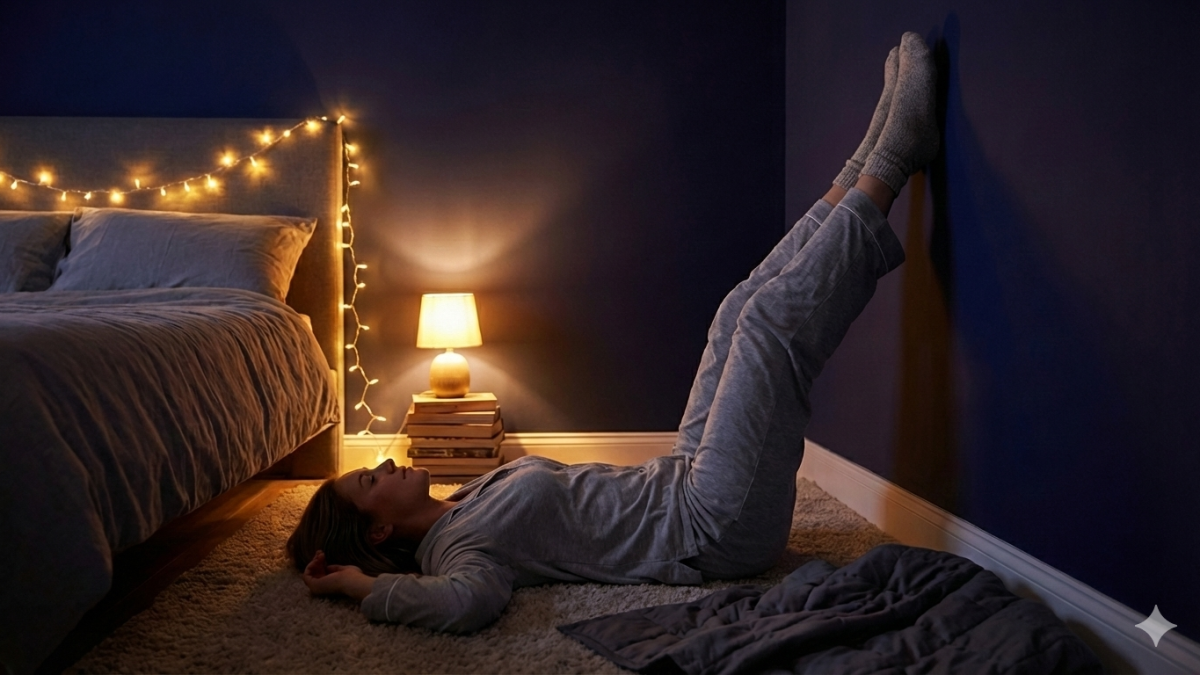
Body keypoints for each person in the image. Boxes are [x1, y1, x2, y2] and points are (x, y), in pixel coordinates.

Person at [288, 31, 940, 633]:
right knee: (770, 329)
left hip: (683, 477)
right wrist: (357, 587)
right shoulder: (457, 550)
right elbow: (467, 605)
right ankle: (896, 155)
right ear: (377, 533)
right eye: (370, 482)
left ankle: (860, 166)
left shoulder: (463, 502)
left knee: (738, 310)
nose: (380, 463)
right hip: (712, 526)